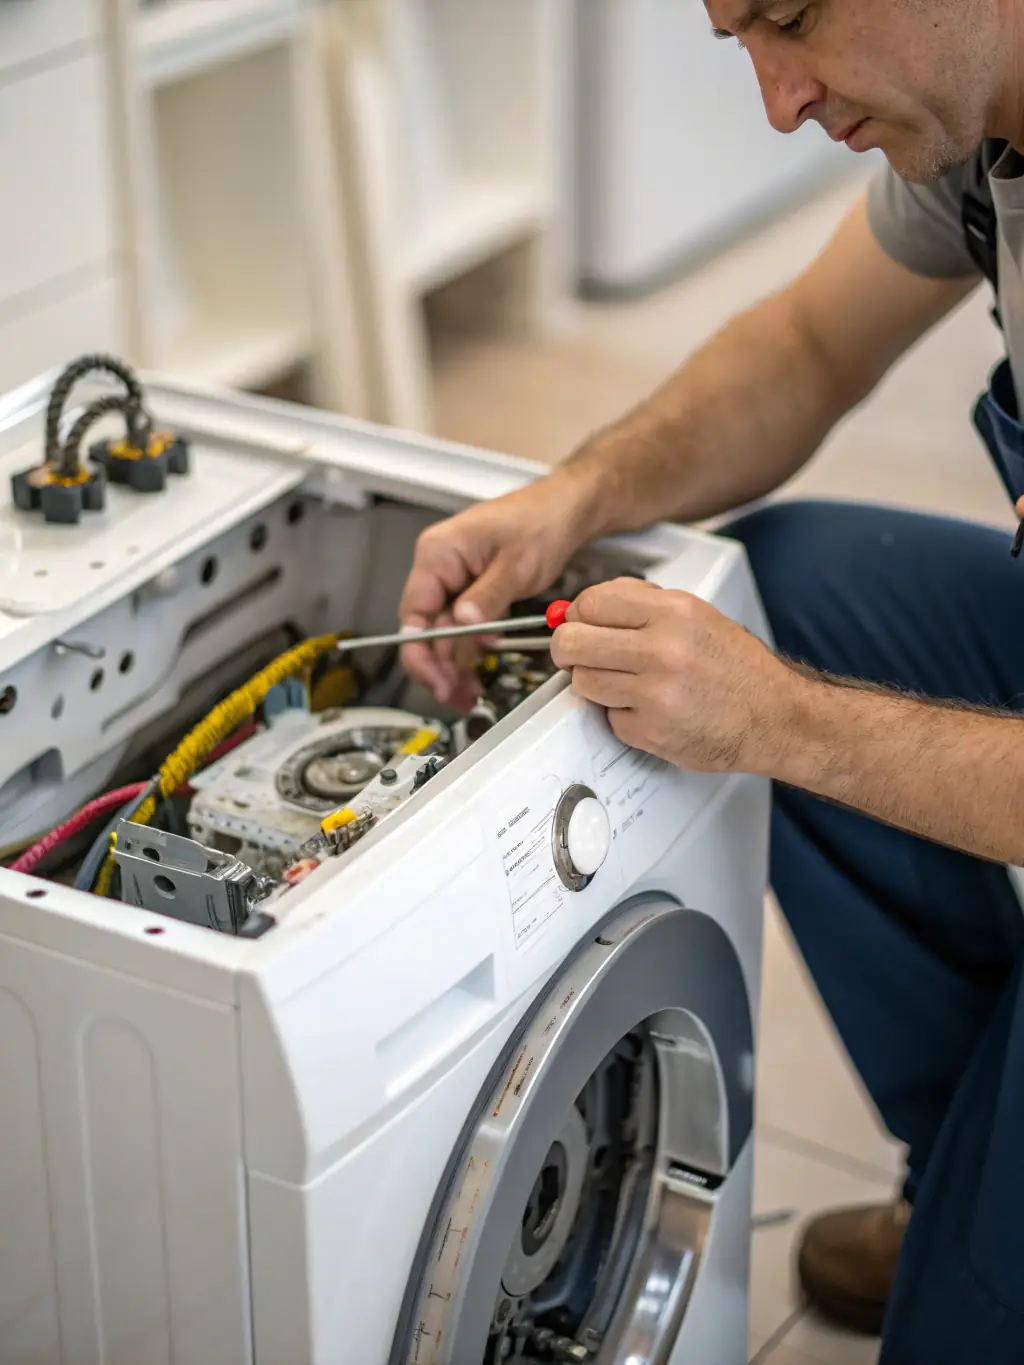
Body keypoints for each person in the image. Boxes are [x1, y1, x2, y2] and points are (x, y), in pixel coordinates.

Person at [398, 2, 1024, 1359]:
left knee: (957, 1336)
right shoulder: (981, 127)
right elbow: (804, 347)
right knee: (796, 587)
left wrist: (773, 720)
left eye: (793, 19)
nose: (778, 102)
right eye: (740, 35)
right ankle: (977, 1148)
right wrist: (579, 493)